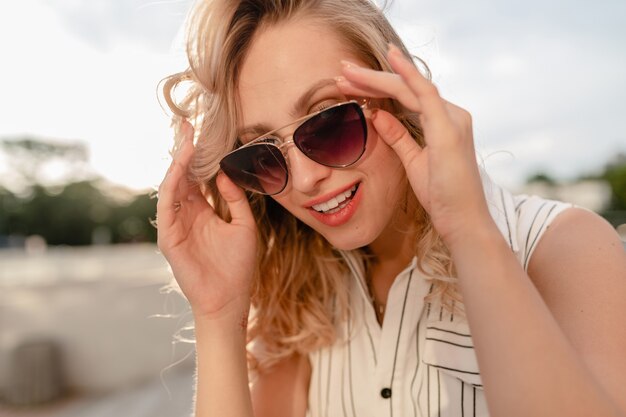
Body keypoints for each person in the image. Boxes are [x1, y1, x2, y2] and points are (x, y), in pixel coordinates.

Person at [156, 1, 626, 416]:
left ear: (398, 97)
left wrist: (468, 231)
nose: (303, 179)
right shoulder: (302, 301)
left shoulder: (560, 247)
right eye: (261, 154)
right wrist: (218, 315)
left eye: (328, 121)